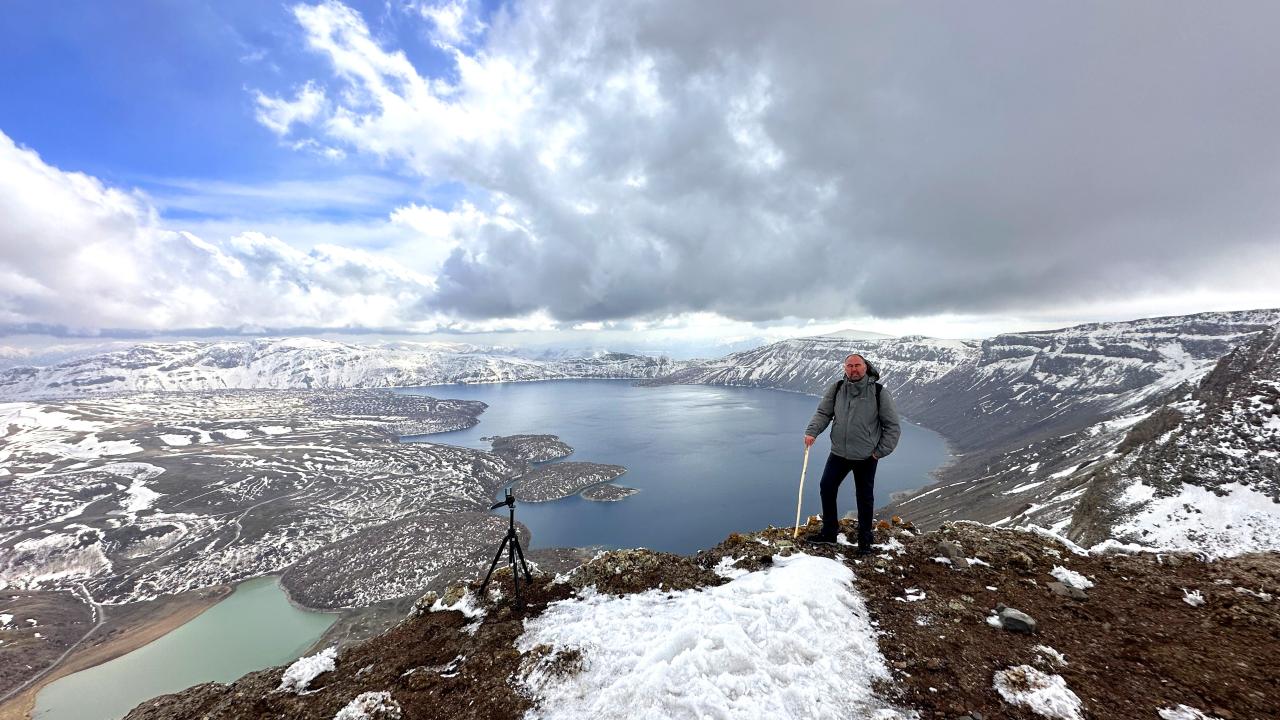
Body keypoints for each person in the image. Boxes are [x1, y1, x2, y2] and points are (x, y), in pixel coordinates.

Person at [802, 353, 901, 554]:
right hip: (839, 453)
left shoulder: (879, 392)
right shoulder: (837, 388)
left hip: (866, 456)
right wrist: (812, 431)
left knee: (864, 498)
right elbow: (823, 413)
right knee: (827, 487)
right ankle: (829, 533)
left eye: (857, 365)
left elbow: (892, 426)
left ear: (865, 367)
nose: (853, 369)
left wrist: (879, 452)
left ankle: (865, 542)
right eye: (849, 366)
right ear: (844, 368)